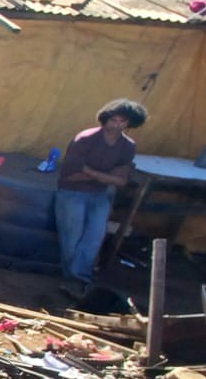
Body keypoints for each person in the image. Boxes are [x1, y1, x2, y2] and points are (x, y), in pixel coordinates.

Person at [54, 98, 146, 293]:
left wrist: (91, 172)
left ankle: (80, 278)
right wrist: (106, 176)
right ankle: (71, 278)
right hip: (72, 193)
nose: (117, 125)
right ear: (105, 119)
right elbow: (71, 174)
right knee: (72, 238)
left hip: (100, 195)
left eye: (122, 122)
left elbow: (121, 179)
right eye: (114, 120)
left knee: (95, 237)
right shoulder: (85, 139)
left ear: (130, 123)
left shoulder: (128, 146)